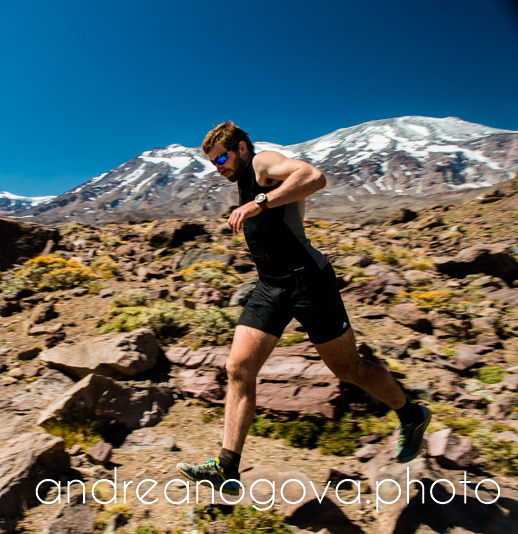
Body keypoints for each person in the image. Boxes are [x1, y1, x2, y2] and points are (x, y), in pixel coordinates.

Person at [176, 121, 431, 496]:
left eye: (224, 158)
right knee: (238, 368)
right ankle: (226, 467)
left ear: (242, 148)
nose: (220, 167)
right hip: (271, 286)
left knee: (348, 368)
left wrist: (258, 202)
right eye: (214, 163)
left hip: (309, 282)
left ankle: (412, 415)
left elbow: (313, 176)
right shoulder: (245, 178)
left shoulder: (262, 164)